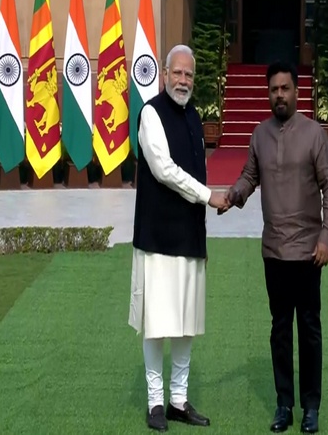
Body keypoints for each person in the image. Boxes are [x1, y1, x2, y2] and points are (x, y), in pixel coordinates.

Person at [220, 61, 328, 433]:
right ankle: (284, 404)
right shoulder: (259, 134)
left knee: (309, 329)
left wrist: (326, 236)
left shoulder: (314, 134)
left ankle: (311, 407)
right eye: (273, 90)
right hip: (273, 251)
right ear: (268, 94)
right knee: (279, 328)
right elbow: (250, 176)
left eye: (285, 89)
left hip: (308, 252)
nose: (279, 95)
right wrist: (234, 195)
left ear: (297, 92)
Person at [129, 44, 228, 432]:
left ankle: (178, 400)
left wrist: (207, 200)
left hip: (189, 234)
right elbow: (164, 169)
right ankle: (155, 402)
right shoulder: (150, 113)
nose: (184, 80)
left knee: (186, 322)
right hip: (156, 234)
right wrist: (209, 195)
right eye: (178, 73)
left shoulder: (194, 117)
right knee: (156, 322)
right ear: (165, 74)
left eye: (189, 74)